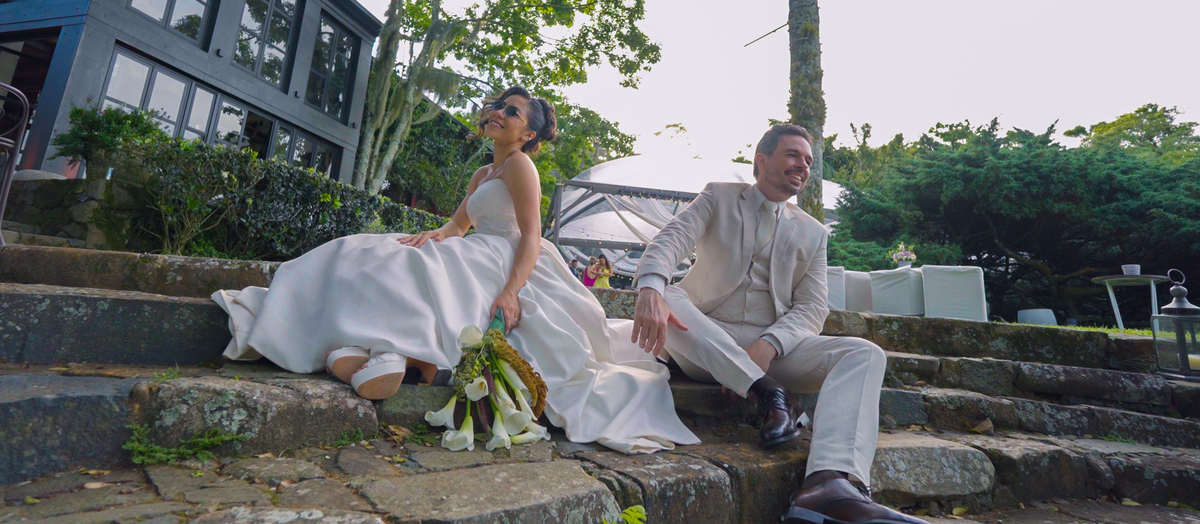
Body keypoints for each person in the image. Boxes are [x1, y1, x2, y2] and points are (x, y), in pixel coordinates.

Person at [212, 86, 698, 454]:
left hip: (510, 259)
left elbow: (532, 235)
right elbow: (457, 225)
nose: (499, 112)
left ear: (528, 134)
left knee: (414, 269)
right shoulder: (483, 173)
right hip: (475, 249)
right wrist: (433, 235)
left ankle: (393, 352)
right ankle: (375, 352)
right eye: (498, 105)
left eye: (513, 112)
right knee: (369, 249)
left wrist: (511, 292)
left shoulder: (521, 167)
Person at [631, 125, 927, 524]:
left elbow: (812, 308)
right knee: (666, 292)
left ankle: (828, 485)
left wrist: (769, 344)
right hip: (702, 340)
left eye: (808, 160)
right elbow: (669, 242)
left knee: (864, 354)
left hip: (770, 348)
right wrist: (650, 287)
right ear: (762, 160)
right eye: (792, 155)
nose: (803, 165)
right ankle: (771, 393)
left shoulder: (814, 232)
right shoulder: (718, 196)